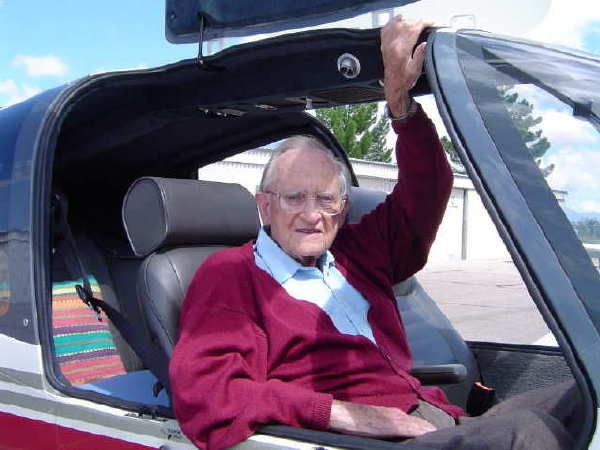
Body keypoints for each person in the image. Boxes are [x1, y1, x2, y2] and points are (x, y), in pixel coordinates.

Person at [170, 17, 579, 450]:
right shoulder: (231, 274)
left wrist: (400, 104)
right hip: (360, 440)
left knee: (585, 395)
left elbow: (428, 188)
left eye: (326, 199)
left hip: (435, 417)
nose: (312, 215)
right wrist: (348, 414)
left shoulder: (357, 252)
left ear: (343, 208)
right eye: (294, 198)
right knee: (527, 434)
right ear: (265, 206)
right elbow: (207, 395)